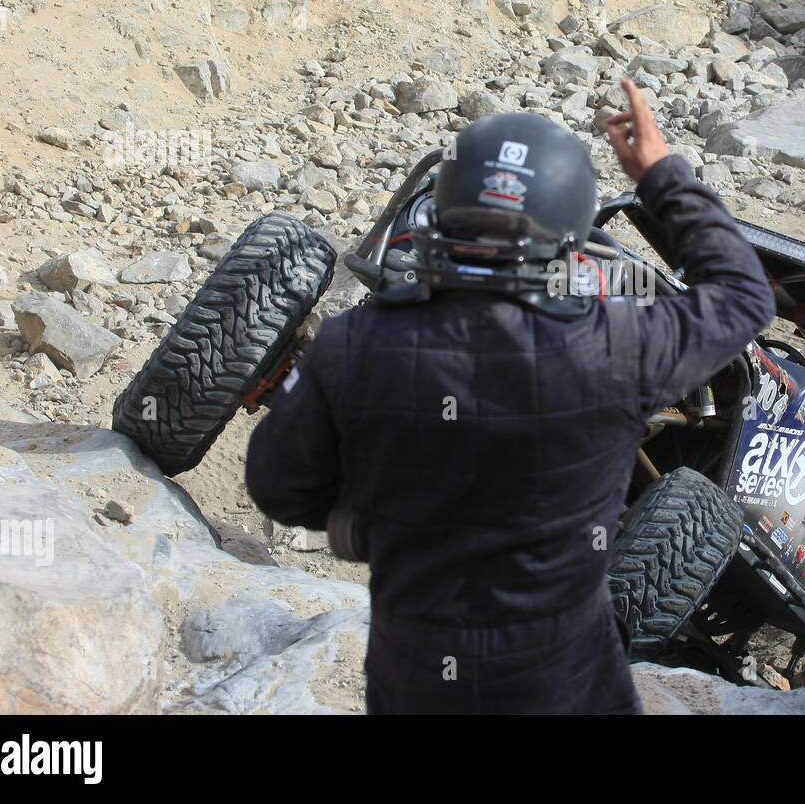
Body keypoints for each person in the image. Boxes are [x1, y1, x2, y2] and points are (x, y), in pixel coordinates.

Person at [245, 79, 774, 714]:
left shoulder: (352, 342)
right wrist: (659, 172)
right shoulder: (619, 346)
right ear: (572, 229)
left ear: (443, 205)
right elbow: (743, 295)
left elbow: (281, 489)